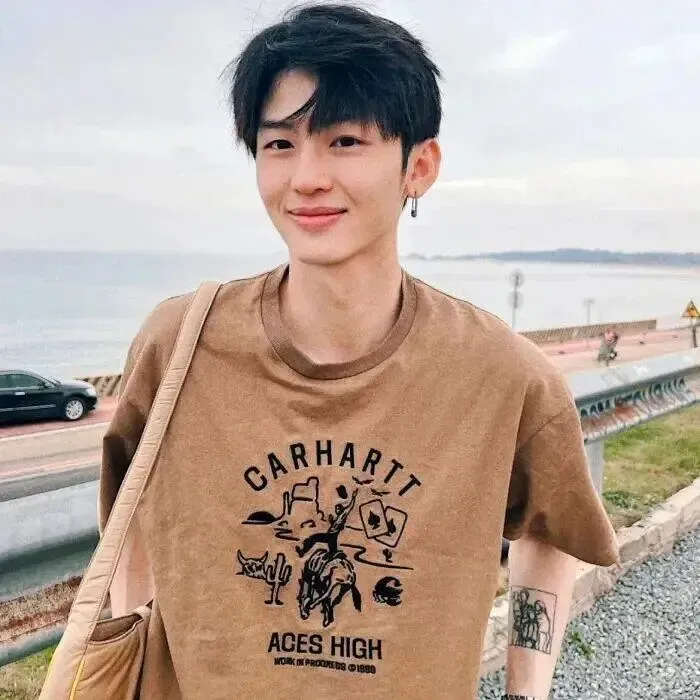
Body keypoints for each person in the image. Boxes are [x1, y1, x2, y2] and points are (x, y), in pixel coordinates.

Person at [101, 4, 619, 699]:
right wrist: (131, 650)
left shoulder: (501, 374)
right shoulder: (178, 345)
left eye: (344, 141)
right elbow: (129, 516)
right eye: (279, 144)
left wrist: (526, 693)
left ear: (419, 166)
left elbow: (549, 532)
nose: (306, 177)